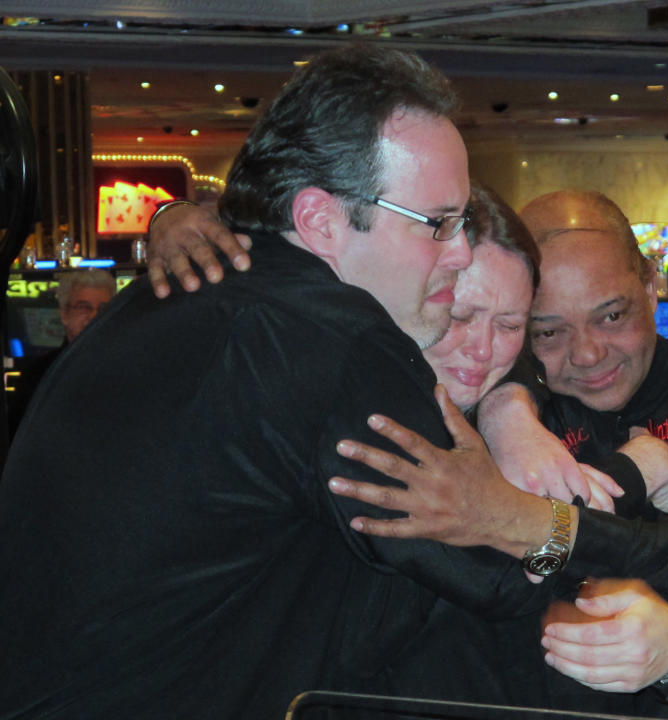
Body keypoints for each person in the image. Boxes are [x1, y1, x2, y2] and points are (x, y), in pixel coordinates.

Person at [0, 45, 592, 720]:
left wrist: (506, 407)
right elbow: (504, 576)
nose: (458, 251)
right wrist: (615, 498)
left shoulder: (167, 298)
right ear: (318, 219)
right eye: (439, 224)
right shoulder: (339, 342)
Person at [145, 190, 668, 717]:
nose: (589, 353)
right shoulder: (388, 415)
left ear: (653, 285)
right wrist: (633, 472)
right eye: (545, 329)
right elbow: (503, 573)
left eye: (611, 316)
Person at [6, 268, 116, 438]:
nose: (94, 316)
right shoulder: (38, 374)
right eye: (83, 307)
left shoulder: (128, 367)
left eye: (103, 309)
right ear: (64, 314)